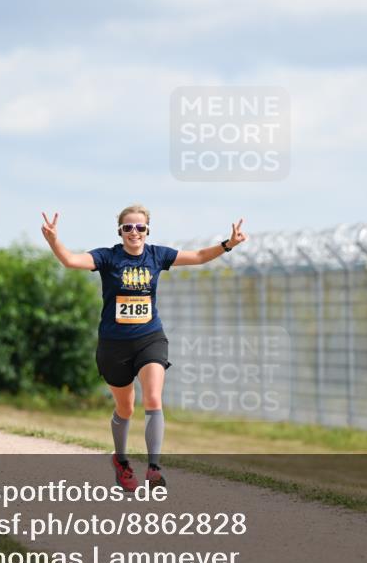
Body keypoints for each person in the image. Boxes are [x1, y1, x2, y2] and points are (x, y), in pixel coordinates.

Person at [41, 204, 246, 491]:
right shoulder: (108, 257)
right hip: (114, 345)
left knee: (153, 398)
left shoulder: (157, 255)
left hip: (150, 337)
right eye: (128, 228)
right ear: (120, 231)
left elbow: (198, 256)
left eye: (140, 227)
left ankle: (154, 468)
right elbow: (71, 261)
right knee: (126, 408)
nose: (134, 232)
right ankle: (122, 461)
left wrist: (228, 244)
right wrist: (54, 241)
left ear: (147, 231)